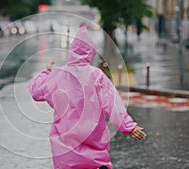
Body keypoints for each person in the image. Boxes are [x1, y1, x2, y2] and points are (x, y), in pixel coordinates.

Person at [29, 26, 146, 169]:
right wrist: (128, 126)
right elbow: (112, 103)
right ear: (91, 52)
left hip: (65, 144)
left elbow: (36, 91)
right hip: (93, 137)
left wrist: (46, 72)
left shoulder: (59, 75)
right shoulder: (96, 76)